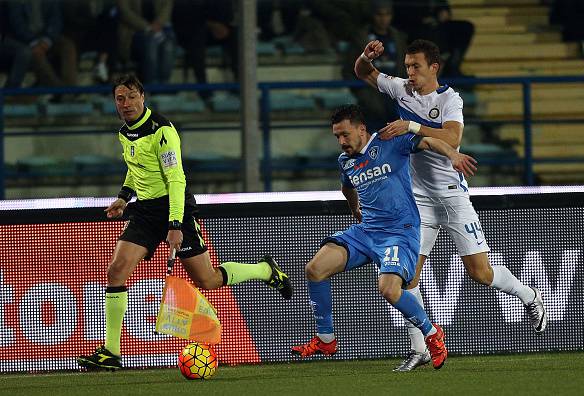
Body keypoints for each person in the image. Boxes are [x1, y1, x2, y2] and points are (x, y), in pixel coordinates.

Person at [354, 39, 548, 371]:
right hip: (419, 202)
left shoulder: (449, 99)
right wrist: (365, 56)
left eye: (416, 66)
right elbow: (362, 72)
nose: (409, 73)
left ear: (434, 67)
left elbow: (452, 138)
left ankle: (529, 296)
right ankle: (420, 349)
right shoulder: (401, 89)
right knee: (406, 278)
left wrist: (411, 125)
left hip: (453, 197)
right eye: (407, 66)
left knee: (480, 272)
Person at [77, 74, 292, 371]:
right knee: (116, 270)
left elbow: (176, 180)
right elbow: (134, 167)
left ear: (143, 96)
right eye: (119, 98)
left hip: (173, 208)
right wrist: (124, 198)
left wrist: (175, 224)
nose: (125, 104)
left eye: (130, 96)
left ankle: (264, 269)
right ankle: (111, 352)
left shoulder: (162, 131)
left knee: (208, 280)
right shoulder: (125, 132)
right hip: (145, 212)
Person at [291, 104, 479, 370]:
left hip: (399, 233)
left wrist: (452, 155)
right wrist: (354, 208)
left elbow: (428, 141)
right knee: (315, 268)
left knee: (388, 289)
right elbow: (347, 188)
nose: (341, 142)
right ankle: (326, 339)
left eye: (345, 135)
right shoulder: (345, 161)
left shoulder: (390, 141)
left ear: (361, 129)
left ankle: (432, 333)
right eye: (337, 137)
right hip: (367, 231)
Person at [343, 0, 407, 130]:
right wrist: (364, 95)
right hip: (371, 100)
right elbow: (348, 70)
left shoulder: (399, 38)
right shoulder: (360, 38)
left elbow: (405, 67)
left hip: (395, 98)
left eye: (387, 14)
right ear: (372, 15)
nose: (383, 19)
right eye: (379, 14)